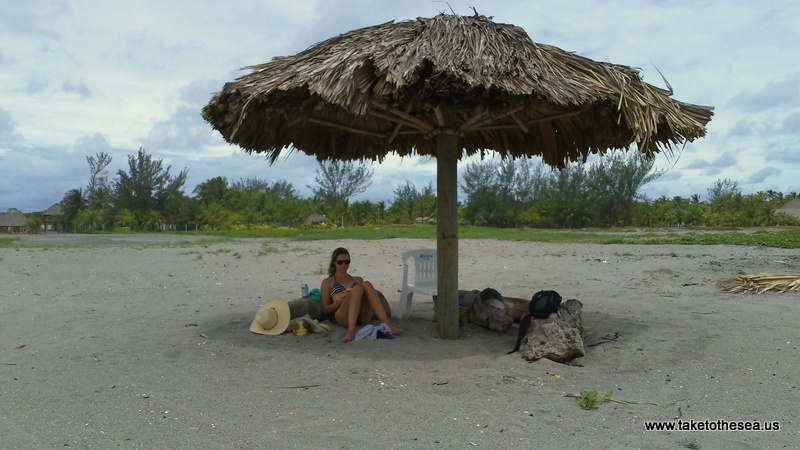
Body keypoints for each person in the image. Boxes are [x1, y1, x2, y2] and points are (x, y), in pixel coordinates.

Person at [320, 247, 404, 342]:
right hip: (343, 314)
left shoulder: (358, 279)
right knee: (358, 289)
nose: (344, 265)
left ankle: (388, 324)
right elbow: (325, 309)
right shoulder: (328, 282)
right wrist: (337, 303)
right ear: (334, 263)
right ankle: (350, 332)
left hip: (362, 315)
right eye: (340, 262)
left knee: (366, 284)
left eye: (347, 262)